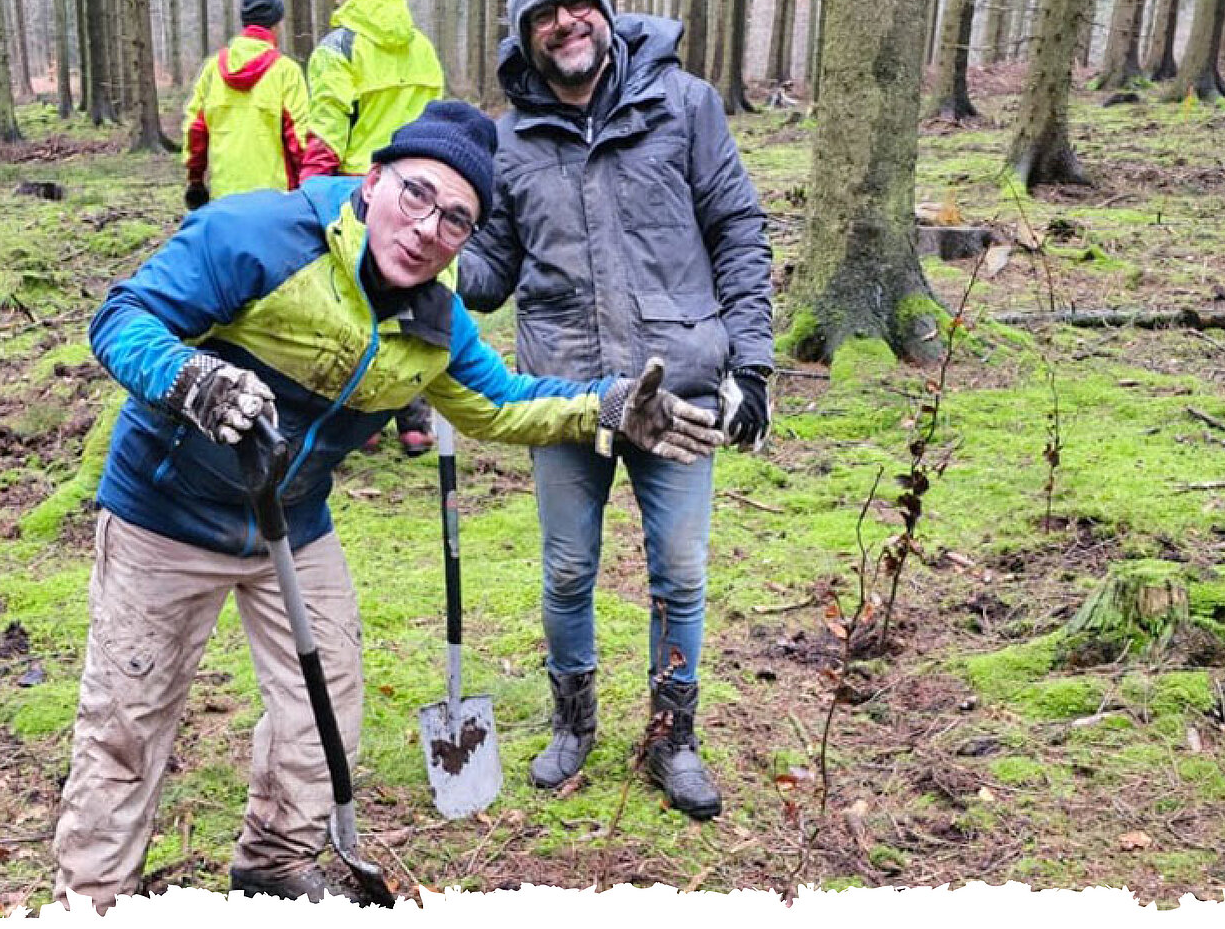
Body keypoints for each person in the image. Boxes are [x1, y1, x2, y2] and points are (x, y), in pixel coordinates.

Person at [51, 100, 724, 911]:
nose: (427, 228)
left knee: (324, 705)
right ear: (372, 182)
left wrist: (605, 408)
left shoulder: (436, 323)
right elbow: (122, 317)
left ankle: (274, 861)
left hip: (292, 525)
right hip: (165, 515)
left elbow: (501, 404)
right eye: (416, 194)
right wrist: (189, 379)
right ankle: (93, 898)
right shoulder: (257, 236)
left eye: (455, 220)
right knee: (127, 723)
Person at [456, 0, 775, 821]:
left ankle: (672, 737)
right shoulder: (508, 141)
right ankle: (574, 723)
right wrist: (434, 254)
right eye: (544, 15)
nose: (565, 23)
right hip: (568, 394)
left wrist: (752, 365)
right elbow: (491, 271)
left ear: (605, 13)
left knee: (681, 572)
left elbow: (738, 230)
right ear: (524, 36)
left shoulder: (685, 104)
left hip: (680, 390)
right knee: (567, 570)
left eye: (578, 5)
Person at [300, 0, 446, 456]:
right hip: (419, 189)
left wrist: (309, 196)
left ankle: (359, 423)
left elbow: (326, 128)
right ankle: (413, 422)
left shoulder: (339, 46)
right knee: (411, 303)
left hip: (359, 189)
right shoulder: (420, 46)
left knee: (353, 306)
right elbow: (435, 120)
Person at [182, 0, 309, 209]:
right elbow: (299, 139)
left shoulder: (212, 70)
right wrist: (307, 185)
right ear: (276, 25)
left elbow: (195, 132)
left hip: (224, 198)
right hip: (276, 200)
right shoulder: (286, 72)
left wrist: (195, 180)